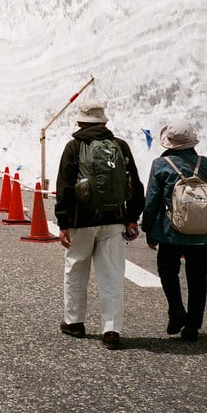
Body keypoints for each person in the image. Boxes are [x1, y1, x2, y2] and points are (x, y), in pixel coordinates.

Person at [55, 102, 145, 350]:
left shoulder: (74, 147)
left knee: (76, 269)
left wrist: (63, 222)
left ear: (80, 123)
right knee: (112, 275)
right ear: (105, 123)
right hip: (114, 220)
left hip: (80, 221)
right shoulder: (120, 146)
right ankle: (111, 329)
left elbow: (64, 187)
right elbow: (135, 185)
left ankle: (74, 322)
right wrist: (132, 217)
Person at [140, 120, 207, 342]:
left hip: (171, 232)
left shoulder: (161, 164)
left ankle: (176, 309)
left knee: (168, 271)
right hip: (201, 232)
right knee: (198, 278)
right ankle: (193, 326)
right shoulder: (204, 164)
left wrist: (148, 229)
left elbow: (152, 200)